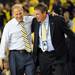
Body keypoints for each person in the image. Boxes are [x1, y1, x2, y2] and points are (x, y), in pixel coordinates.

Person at [31, 3, 75, 75]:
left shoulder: (57, 20)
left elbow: (71, 35)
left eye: (38, 14)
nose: (36, 16)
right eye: (35, 14)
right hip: (43, 56)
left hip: (57, 56)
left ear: (44, 13)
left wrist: (70, 50)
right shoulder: (35, 21)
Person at [0, 4, 35, 75]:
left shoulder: (30, 19)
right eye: (16, 14)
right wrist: (2, 58)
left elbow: (40, 16)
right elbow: (4, 42)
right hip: (15, 56)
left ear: (23, 12)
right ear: (12, 14)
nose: (19, 16)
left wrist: (51, 15)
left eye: (20, 13)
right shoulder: (8, 26)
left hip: (29, 54)